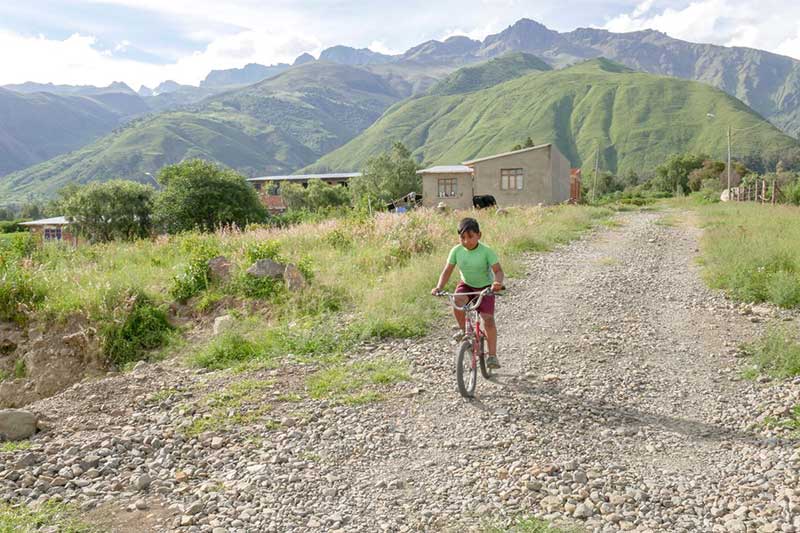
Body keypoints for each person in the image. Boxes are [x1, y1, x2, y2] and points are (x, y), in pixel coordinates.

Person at [431, 217, 505, 368]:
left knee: (488, 319)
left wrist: (497, 283)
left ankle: (492, 356)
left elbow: (498, 270)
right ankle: (465, 331)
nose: (466, 241)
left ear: (479, 235)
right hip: (467, 285)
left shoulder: (486, 251)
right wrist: (439, 287)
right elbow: (447, 271)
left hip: (485, 288)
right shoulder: (456, 251)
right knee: (456, 302)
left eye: (470, 236)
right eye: (462, 237)